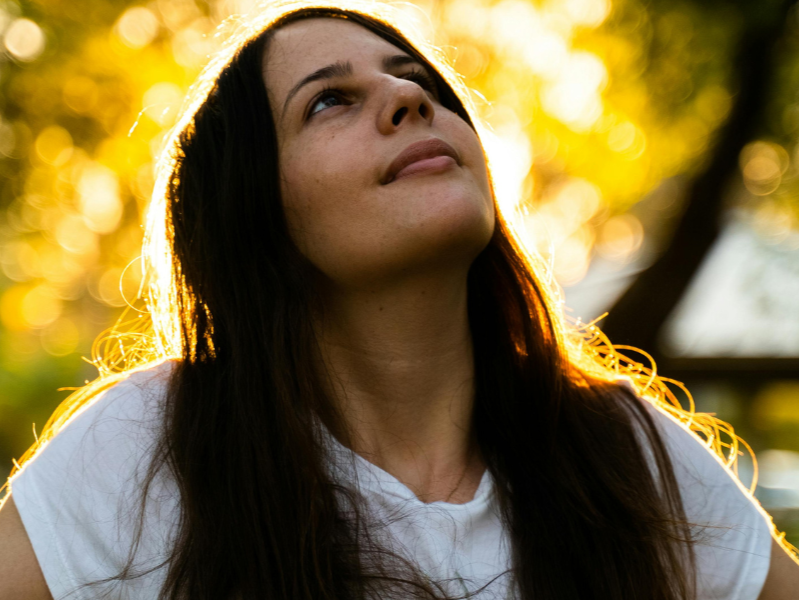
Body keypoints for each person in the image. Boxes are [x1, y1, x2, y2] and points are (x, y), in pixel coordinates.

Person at [1, 1, 798, 598]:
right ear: (256, 212)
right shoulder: (152, 446)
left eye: (416, 81)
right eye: (328, 101)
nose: (407, 99)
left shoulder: (618, 453)